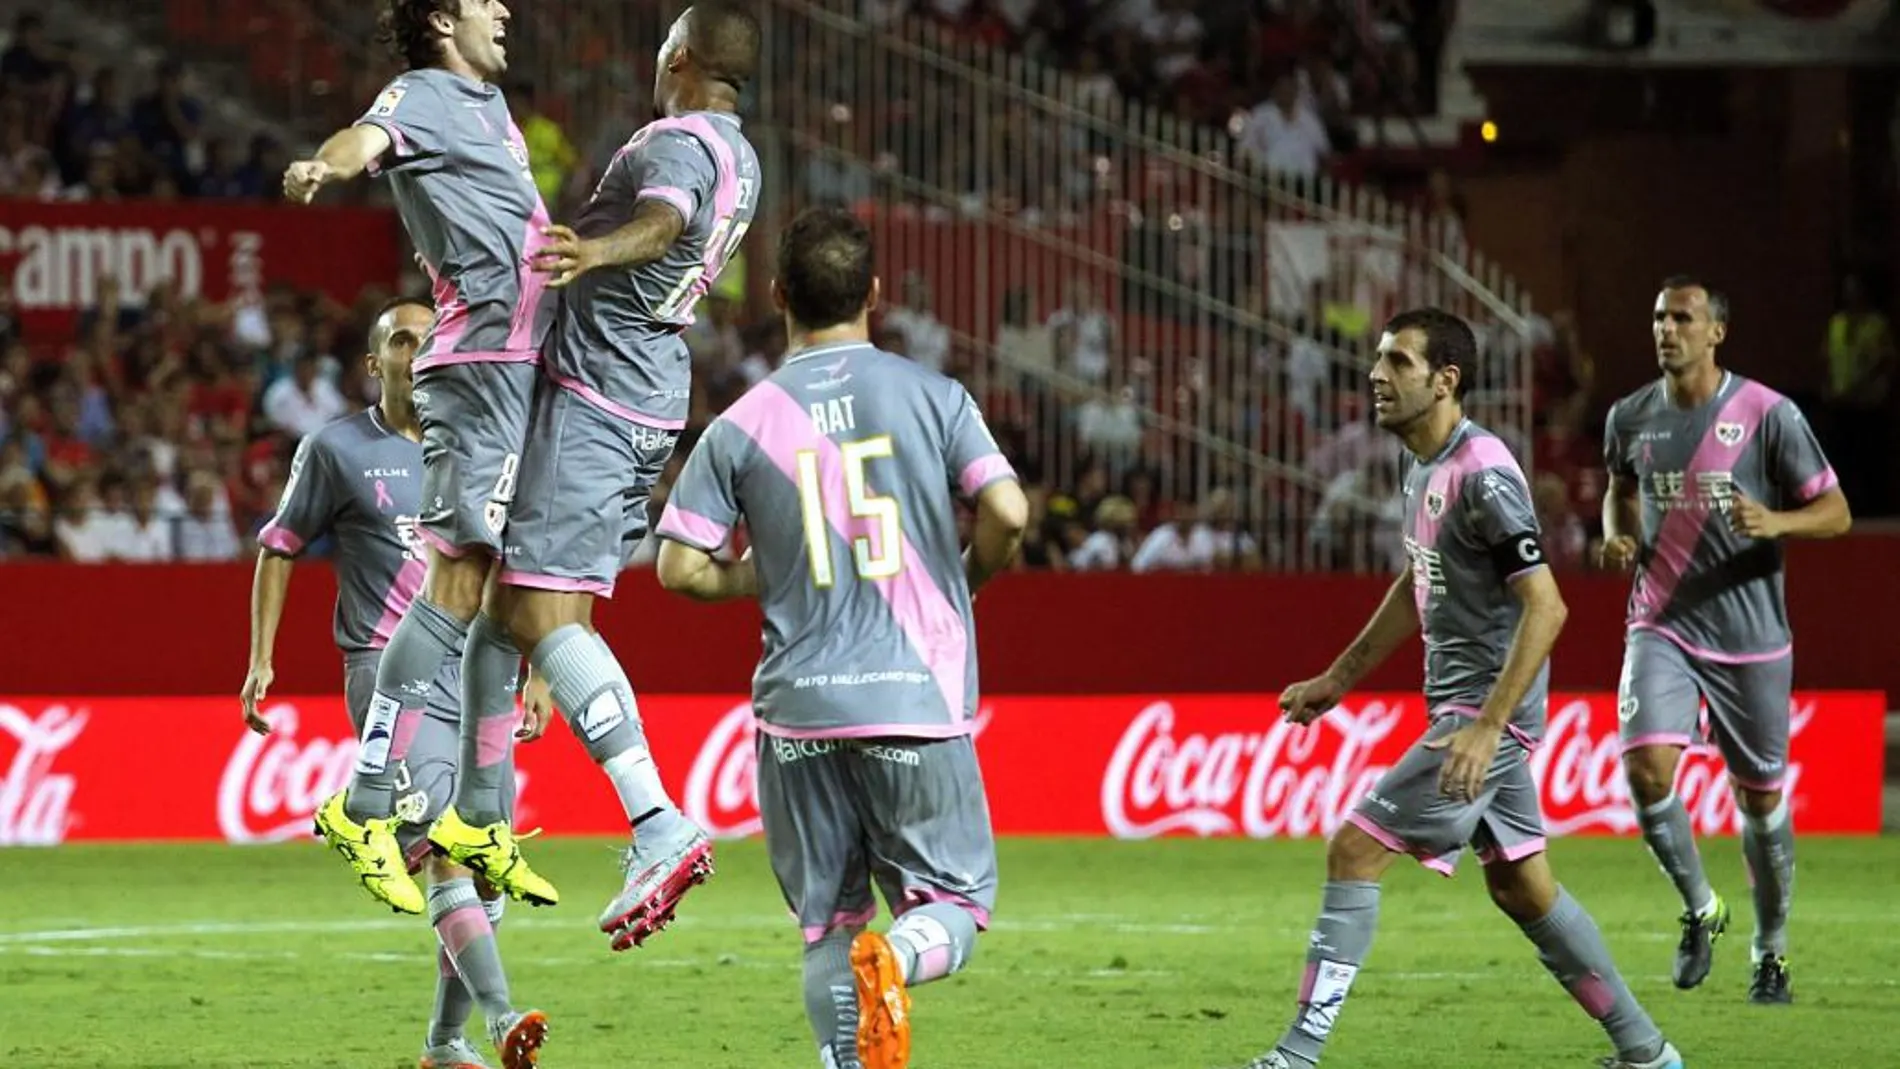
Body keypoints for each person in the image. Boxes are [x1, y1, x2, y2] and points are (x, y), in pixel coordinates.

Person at [1241, 309, 1683, 1069]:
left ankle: (1296, 1055)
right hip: (1475, 713)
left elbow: (1548, 605)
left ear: (1446, 380)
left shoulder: (1483, 474)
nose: (1378, 374)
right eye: (1379, 359)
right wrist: (1338, 678)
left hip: (1485, 716)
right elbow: (1420, 583)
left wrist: (1485, 728)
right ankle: (1649, 1053)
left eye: (1399, 362)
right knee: (1523, 888)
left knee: (1354, 849)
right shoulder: (1421, 463)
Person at [652, 207, 1028, 1069]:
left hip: (798, 712)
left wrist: (768, 573)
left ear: (778, 296)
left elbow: (678, 568)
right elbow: (1007, 510)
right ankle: (896, 959)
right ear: (876, 294)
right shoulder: (935, 396)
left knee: (827, 918)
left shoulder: (742, 421)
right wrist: (964, 575)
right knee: (957, 903)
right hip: (914, 697)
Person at [429, 1, 764, 950]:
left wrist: (592, 249)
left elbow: (664, 221)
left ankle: (656, 818)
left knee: (536, 614)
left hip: (597, 391)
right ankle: (481, 817)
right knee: (509, 614)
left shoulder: (677, 141)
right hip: (646, 389)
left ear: (681, 56)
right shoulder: (743, 150)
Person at [281, 0, 558, 914]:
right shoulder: (428, 94)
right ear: (444, 20)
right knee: (457, 585)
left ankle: (474, 813)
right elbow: (367, 134)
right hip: (478, 364)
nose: (505, 11)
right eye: (485, 0)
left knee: (490, 582)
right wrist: (327, 163)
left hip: (515, 367)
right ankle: (367, 801)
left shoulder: (488, 106)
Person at [241, 298, 549, 1069]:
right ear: (375, 363)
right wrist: (261, 658)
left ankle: (445, 1043)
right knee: (447, 854)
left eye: (430, 338)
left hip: (477, 676)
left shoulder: (482, 445)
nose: (421, 352)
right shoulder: (337, 447)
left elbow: (527, 563)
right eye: (403, 341)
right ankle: (504, 1016)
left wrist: (539, 667)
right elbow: (279, 546)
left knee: (487, 859)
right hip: (386, 673)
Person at [1600, 276, 1851, 1003]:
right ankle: (1700, 907)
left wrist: (1778, 523)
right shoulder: (1629, 416)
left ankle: (1770, 949)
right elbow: (1619, 488)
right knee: (1647, 770)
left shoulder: (1768, 413)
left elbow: (1835, 511)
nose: (1667, 329)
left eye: (1683, 317)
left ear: (1716, 332)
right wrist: (1619, 536)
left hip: (1751, 637)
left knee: (1762, 802)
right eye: (1658, 316)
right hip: (1661, 622)